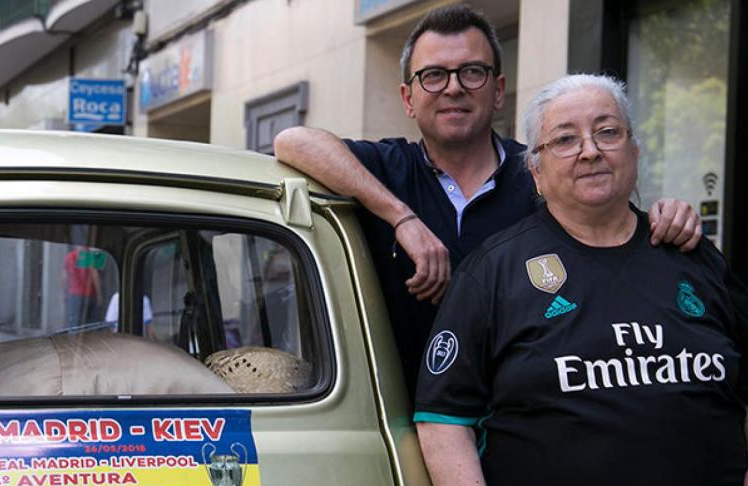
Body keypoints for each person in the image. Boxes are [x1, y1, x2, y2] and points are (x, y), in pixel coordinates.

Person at [414, 74, 748, 486]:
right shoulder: (493, 273)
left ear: (634, 150)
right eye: (565, 139)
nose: (590, 151)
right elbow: (442, 419)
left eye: (608, 132)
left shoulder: (693, 257)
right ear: (536, 171)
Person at [273, 4, 701, 392]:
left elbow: (611, 220)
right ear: (408, 98)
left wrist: (667, 215)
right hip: (403, 428)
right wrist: (401, 217)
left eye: (472, 72)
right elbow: (293, 141)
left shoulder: (541, 171)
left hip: (533, 421)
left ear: (498, 90)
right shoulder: (384, 171)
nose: (453, 88)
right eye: (433, 75)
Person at [64, 245, 102, 327]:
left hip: (74, 294)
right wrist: (99, 295)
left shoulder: (70, 257)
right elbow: (95, 275)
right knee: (90, 323)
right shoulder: (89, 256)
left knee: (75, 322)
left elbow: (65, 277)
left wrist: (64, 293)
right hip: (89, 294)